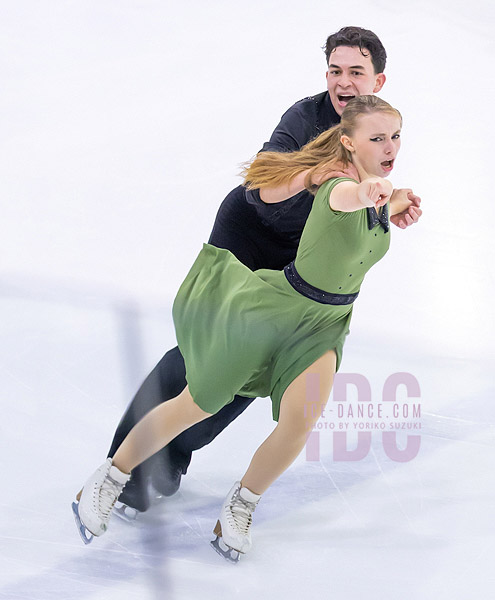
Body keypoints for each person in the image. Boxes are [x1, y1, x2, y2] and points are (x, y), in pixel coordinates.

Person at [74, 95, 414, 562]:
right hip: (276, 308)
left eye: (395, 136)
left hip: (327, 324)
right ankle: (110, 478)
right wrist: (373, 195)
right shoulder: (339, 184)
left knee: (300, 421)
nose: (390, 145)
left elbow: (364, 216)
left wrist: (392, 199)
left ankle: (240, 506)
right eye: (377, 138)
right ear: (348, 143)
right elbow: (347, 198)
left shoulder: (374, 187)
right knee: (198, 402)